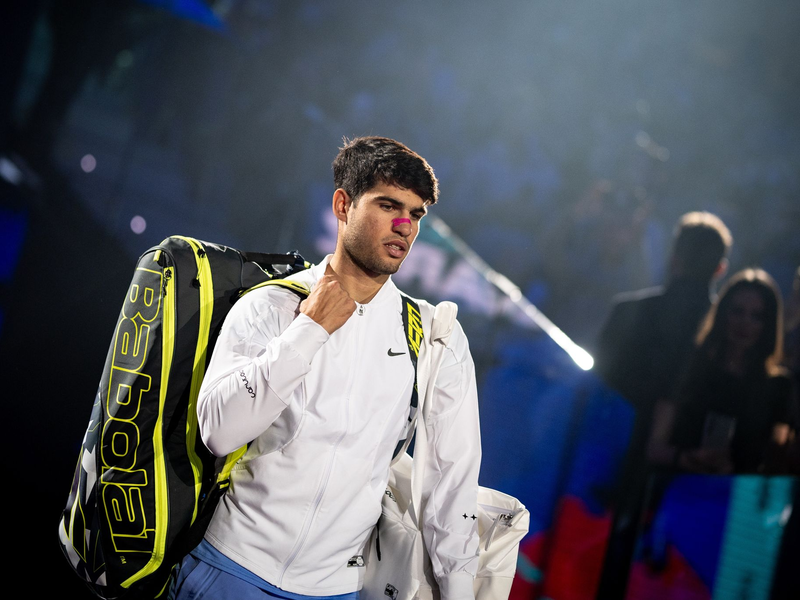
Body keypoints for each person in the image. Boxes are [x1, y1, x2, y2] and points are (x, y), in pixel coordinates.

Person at [169, 137, 481, 600]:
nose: (404, 226)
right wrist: (309, 330)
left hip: (335, 590)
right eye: (388, 205)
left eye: (415, 214)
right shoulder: (272, 304)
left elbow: (452, 482)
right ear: (343, 204)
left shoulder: (437, 338)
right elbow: (219, 431)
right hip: (228, 566)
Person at [594, 211, 732, 599]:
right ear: (720, 268)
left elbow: (594, 396)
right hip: (686, 488)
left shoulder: (627, 312)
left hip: (607, 473)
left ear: (674, 257)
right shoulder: (732, 338)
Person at [649, 268, 795, 474]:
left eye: (757, 316)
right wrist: (686, 459)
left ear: (768, 324)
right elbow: (654, 447)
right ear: (723, 313)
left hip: (734, 498)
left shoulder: (777, 387)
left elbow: (776, 461)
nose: (745, 323)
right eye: (737, 311)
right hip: (675, 490)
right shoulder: (689, 368)